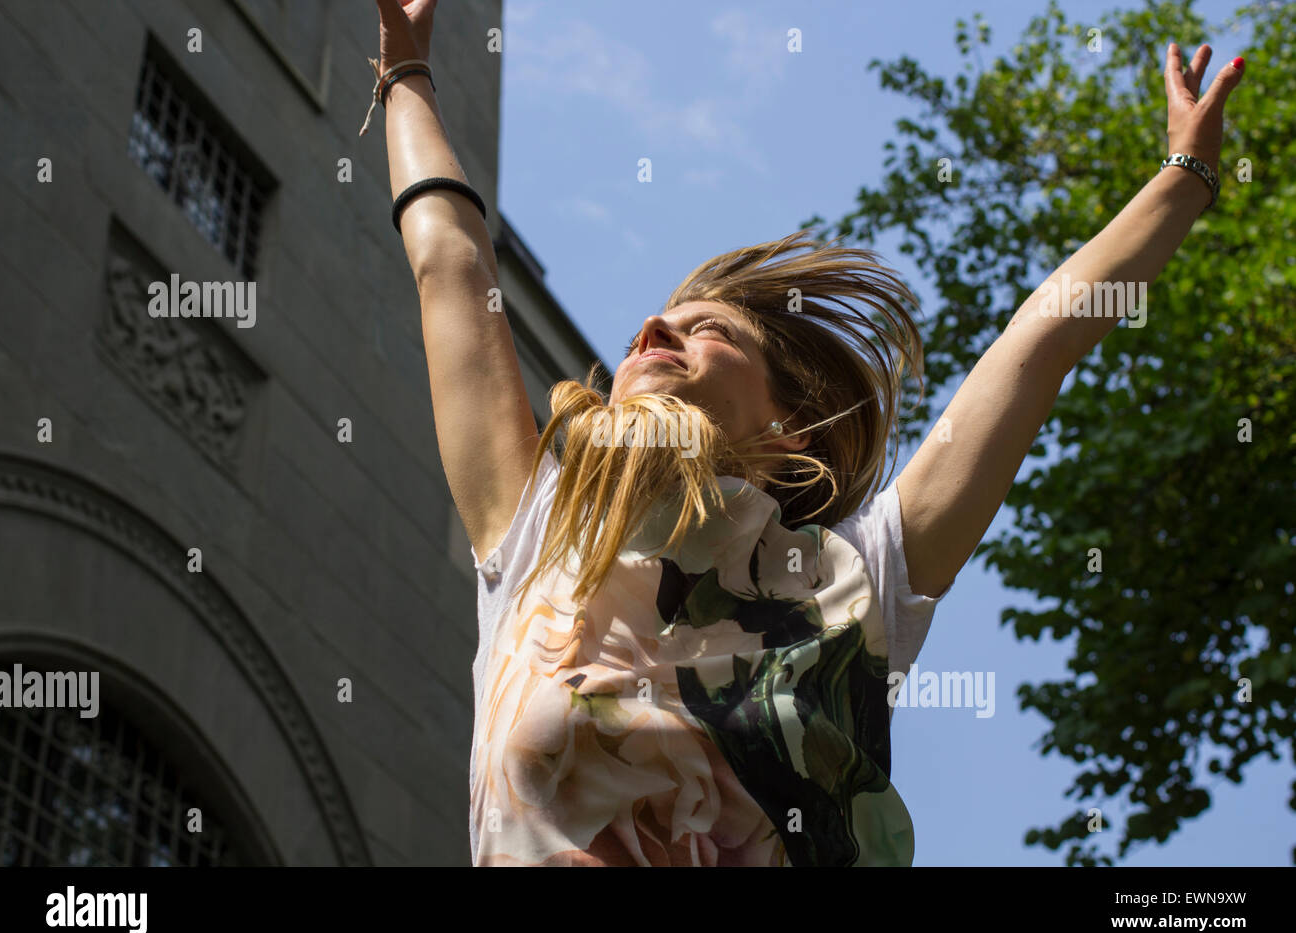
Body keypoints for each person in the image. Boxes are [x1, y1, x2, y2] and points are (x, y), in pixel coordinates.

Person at [368, 0, 1243, 866]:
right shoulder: (540, 538)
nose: (654, 330)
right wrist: (404, 71)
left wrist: (1183, 176)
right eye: (652, 325)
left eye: (707, 329)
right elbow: (451, 262)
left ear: (790, 431)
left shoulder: (861, 580)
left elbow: (1039, 342)